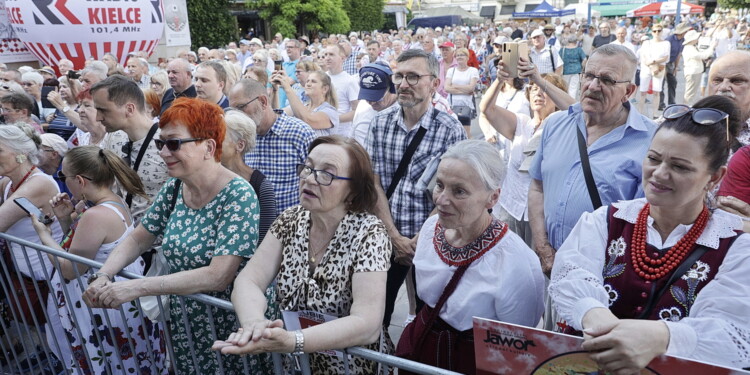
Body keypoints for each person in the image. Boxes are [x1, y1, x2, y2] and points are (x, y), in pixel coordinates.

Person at [549, 95, 750, 373]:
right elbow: (571, 274)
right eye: (653, 158)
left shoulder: (736, 246)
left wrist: (661, 337)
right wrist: (595, 315)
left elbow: (731, 329)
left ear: (715, 177)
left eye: (680, 167)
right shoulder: (607, 221)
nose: (659, 174)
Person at [83, 97, 274, 374]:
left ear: (208, 147)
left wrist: (136, 287)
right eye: (161, 143)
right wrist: (104, 275)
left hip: (232, 323)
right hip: (188, 320)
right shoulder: (174, 187)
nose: (163, 152)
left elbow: (218, 275)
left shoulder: (238, 194)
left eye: (174, 143)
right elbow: (139, 238)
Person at [212, 136, 391, 374]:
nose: (309, 178)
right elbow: (249, 280)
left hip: (353, 368)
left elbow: (367, 323)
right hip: (299, 365)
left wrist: (294, 340)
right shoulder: (290, 219)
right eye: (307, 167)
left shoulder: (370, 233)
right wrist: (254, 323)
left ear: (353, 191)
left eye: (327, 174)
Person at [527, 44, 657, 330]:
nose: (593, 86)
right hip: (551, 267)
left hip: (606, 281)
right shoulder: (555, 125)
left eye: (608, 80)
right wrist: (543, 247)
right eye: (589, 76)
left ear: (629, 91)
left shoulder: (651, 141)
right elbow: (537, 187)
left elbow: (650, 221)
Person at [398, 140, 544, 374]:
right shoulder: (430, 229)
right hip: (422, 347)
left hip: (471, 362)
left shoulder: (517, 262)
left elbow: (517, 346)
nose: (441, 200)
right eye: (439, 185)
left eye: (459, 191)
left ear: (493, 198)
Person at [30, 146, 166, 374]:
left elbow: (70, 269)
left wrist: (44, 235)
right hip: (115, 300)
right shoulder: (114, 201)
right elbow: (81, 251)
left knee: (110, 363)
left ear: (80, 181)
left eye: (63, 176)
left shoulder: (95, 215)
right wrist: (65, 220)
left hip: (103, 308)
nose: (62, 182)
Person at [366, 49, 466, 328]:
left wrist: (419, 240)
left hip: (433, 241)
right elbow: (374, 184)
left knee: (430, 321)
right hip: (384, 239)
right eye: (399, 76)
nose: (403, 83)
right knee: (376, 318)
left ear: (435, 83)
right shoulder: (379, 123)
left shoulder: (449, 129)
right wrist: (394, 237)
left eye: (413, 76)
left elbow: (452, 194)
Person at [481, 71, 569, 245]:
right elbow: (486, 109)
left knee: (536, 265)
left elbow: (578, 112)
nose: (538, 93)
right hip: (510, 207)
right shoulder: (521, 123)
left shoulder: (563, 127)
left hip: (541, 213)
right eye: (534, 89)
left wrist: (539, 80)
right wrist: (500, 79)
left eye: (544, 89)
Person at [230, 78, 315, 214]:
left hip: (290, 224)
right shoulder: (240, 137)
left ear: (263, 102)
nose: (237, 115)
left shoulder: (299, 132)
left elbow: (316, 182)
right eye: (232, 110)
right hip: (253, 221)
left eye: (240, 107)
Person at [221, 108, 277, 243]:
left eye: (219, 137)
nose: (210, 143)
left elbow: (264, 241)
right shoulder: (206, 178)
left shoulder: (261, 186)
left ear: (239, 145)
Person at [274, 69, 338, 137]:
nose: (308, 84)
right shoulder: (302, 106)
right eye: (307, 81)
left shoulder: (330, 112)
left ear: (325, 89)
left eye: (313, 81)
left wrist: (287, 87)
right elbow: (276, 116)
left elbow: (307, 120)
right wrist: (274, 90)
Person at [324, 44, 359, 137]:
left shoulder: (350, 81)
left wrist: (333, 119)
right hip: (321, 132)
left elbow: (357, 110)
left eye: (331, 54)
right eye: (326, 54)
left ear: (342, 58)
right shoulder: (322, 77)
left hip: (340, 135)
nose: (327, 58)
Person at [637, 24, 670, 118]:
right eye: (655, 31)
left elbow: (666, 57)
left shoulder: (666, 43)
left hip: (659, 68)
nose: (657, 33)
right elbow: (644, 57)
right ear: (652, 32)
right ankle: (639, 112)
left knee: (657, 91)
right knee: (643, 91)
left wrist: (654, 61)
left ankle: (655, 114)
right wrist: (651, 64)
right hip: (647, 68)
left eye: (659, 31)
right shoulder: (647, 43)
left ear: (662, 31)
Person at [444, 47, 479, 136]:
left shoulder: (473, 71)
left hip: (466, 105)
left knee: (466, 132)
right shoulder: (451, 70)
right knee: (452, 132)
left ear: (467, 57)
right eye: (458, 55)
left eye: (462, 55)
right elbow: (447, 88)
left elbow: (471, 88)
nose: (459, 57)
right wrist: (465, 90)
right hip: (452, 104)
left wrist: (454, 86)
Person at [682, 30, 717, 106]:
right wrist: (712, 47)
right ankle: (686, 108)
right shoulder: (689, 48)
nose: (698, 39)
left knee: (691, 92)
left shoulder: (691, 47)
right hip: (692, 72)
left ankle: (687, 107)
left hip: (694, 72)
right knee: (690, 93)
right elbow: (702, 56)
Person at [46, 75, 82, 140]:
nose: (61, 90)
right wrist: (50, 120)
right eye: (60, 87)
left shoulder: (81, 106)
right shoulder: (59, 105)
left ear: (74, 88)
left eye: (65, 87)